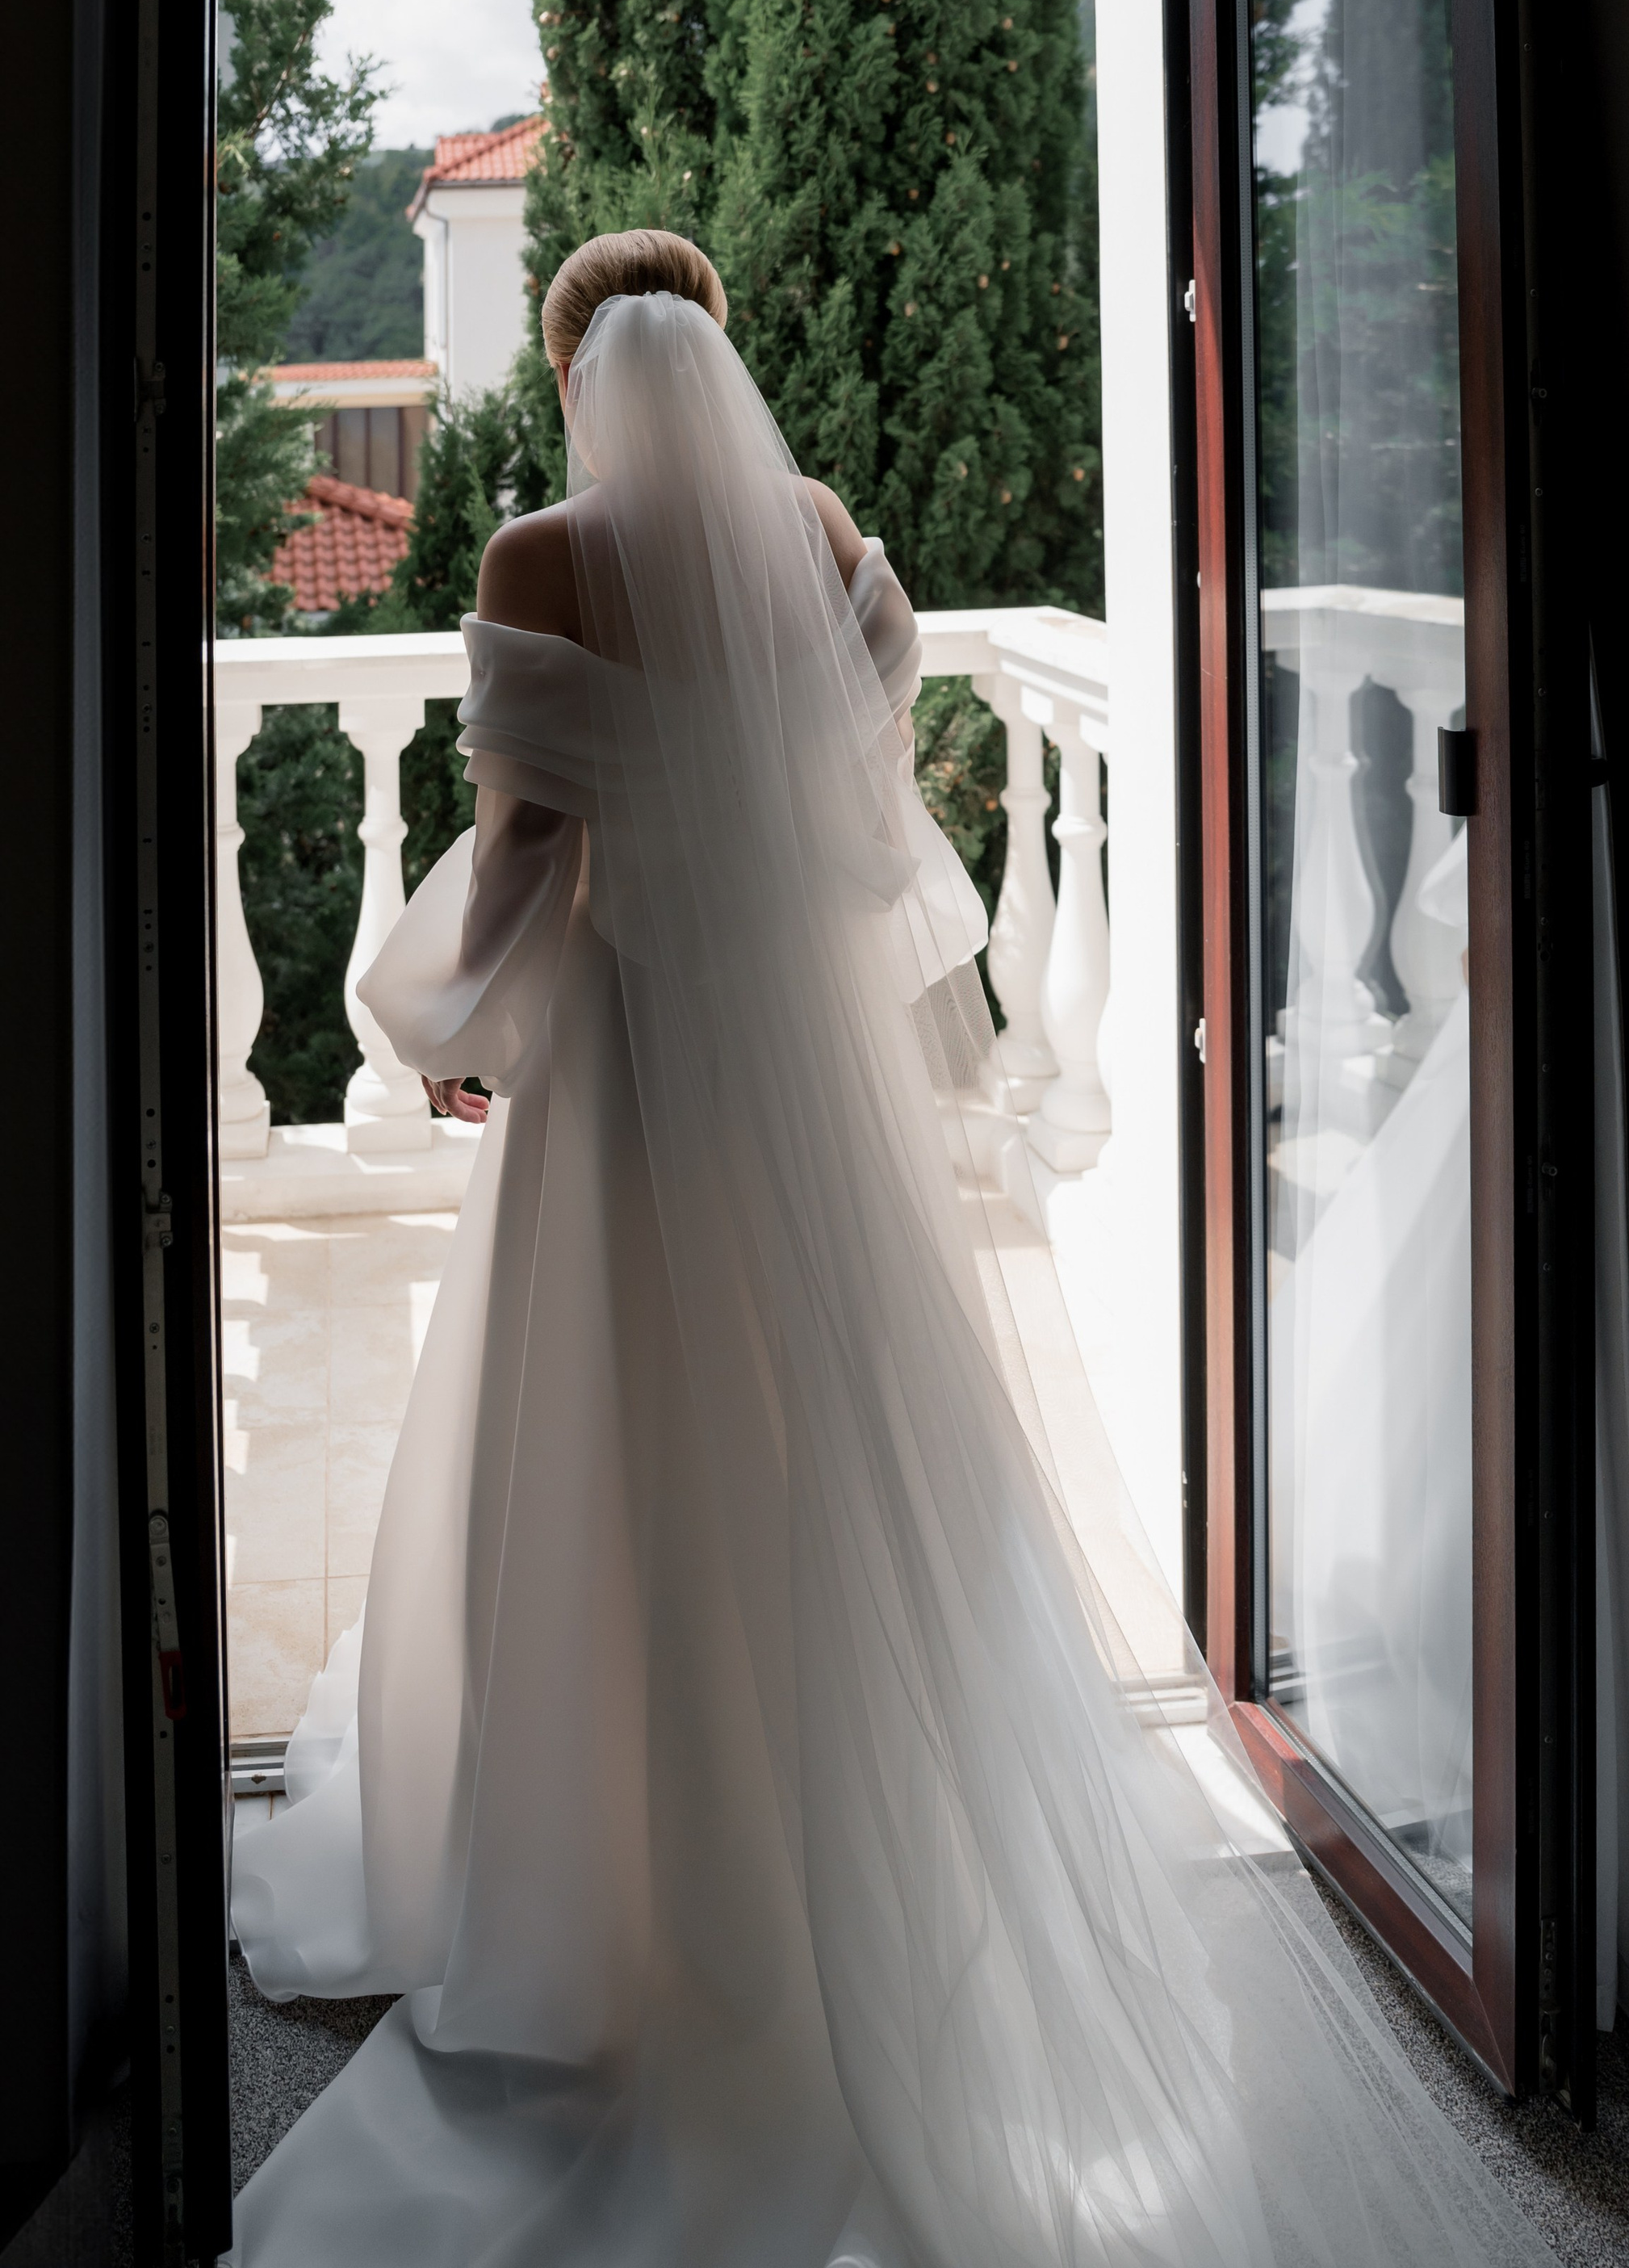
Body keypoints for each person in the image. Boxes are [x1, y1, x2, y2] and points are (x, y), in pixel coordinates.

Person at [229, 231, 1553, 2268]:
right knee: (828, 1449)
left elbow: (516, 853)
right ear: (718, 356)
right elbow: (860, 821)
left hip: (627, 1078)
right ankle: (845, 1853)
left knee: (604, 1449)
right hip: (794, 1085)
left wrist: (439, 1024)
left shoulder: (534, 556)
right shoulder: (822, 538)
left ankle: (602, 1884)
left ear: (578, 372)